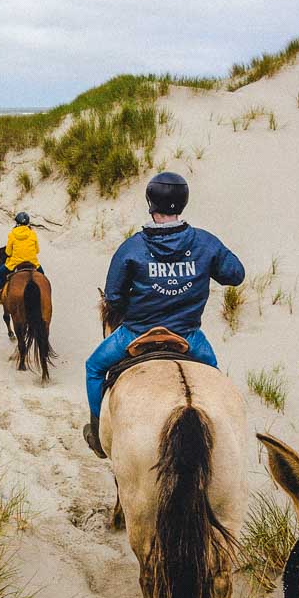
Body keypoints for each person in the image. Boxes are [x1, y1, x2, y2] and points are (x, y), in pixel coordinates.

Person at [83, 172, 244, 458]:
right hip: (189, 336)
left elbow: (114, 297)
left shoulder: (132, 247)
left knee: (94, 368)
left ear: (150, 202)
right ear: (183, 202)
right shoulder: (205, 242)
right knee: (215, 382)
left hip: (136, 332)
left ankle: (97, 434)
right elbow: (235, 274)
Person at [0, 210, 42, 292]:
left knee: (0, 273)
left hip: (15, 263)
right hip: (32, 262)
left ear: (17, 223)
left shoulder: (12, 234)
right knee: (42, 276)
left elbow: (8, 252)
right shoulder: (33, 234)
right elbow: (37, 251)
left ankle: (1, 291)